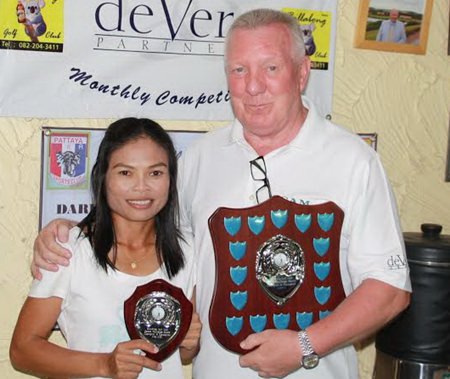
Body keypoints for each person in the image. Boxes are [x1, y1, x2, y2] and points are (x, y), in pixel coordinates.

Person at [30, 9, 411, 379]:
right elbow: (151, 235)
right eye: (239, 70)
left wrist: (304, 346)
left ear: (302, 73)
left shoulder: (353, 161)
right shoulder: (199, 160)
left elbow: (390, 290)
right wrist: (70, 231)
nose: (253, 85)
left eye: (271, 68)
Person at [10, 118, 201, 379]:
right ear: (103, 178)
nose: (141, 186)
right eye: (125, 173)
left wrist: (189, 343)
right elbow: (23, 350)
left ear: (170, 179)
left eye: (155, 173)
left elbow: (180, 354)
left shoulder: (187, 250)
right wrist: (104, 365)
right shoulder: (68, 250)